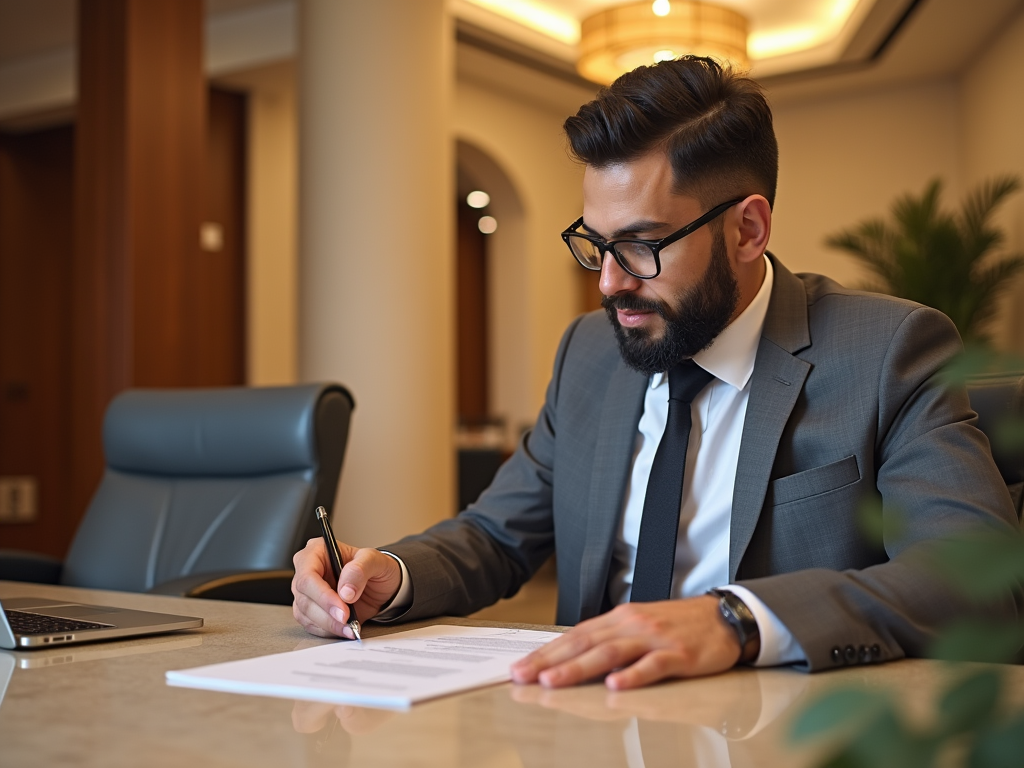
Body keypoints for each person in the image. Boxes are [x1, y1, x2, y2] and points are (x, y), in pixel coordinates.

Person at [292, 56, 1020, 690]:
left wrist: (735, 621)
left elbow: (973, 577)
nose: (608, 283)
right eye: (594, 244)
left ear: (748, 229)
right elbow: (496, 535)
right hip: (582, 720)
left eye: (641, 246)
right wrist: (389, 572)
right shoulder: (589, 353)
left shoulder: (888, 350)